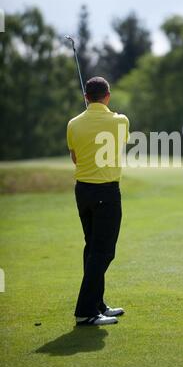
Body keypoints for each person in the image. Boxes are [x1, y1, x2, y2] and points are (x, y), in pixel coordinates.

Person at [67, 76, 129, 326]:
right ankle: (86, 311)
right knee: (103, 252)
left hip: (83, 192)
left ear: (85, 97)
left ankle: (97, 304)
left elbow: (75, 158)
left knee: (92, 248)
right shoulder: (121, 121)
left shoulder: (73, 124)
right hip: (107, 193)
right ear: (108, 96)